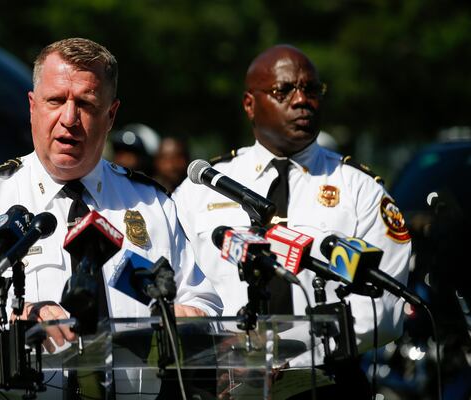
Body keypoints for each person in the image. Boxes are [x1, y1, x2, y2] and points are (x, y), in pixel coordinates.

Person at [0, 38, 222, 397]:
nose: (69, 119)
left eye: (86, 103)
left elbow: (205, 303)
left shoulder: (151, 204)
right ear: (32, 105)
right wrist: (10, 323)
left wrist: (190, 318)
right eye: (56, 101)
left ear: (111, 115)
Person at [173, 44, 411, 397]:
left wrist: (287, 350)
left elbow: (384, 312)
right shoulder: (203, 189)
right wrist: (218, 348)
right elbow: (175, 288)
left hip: (324, 382)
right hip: (220, 383)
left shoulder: (361, 190)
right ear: (249, 104)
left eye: (312, 90)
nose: (302, 100)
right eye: (284, 90)